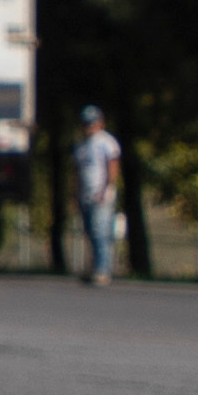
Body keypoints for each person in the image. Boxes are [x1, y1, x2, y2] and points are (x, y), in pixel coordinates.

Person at [71, 108, 125, 282]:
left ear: (100, 123)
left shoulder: (106, 142)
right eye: (86, 123)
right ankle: (94, 267)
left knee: (100, 232)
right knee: (89, 232)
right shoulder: (81, 146)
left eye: (92, 123)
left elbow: (112, 165)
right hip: (85, 194)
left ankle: (103, 270)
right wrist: (74, 194)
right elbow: (77, 172)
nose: (89, 127)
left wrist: (107, 188)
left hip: (101, 194)